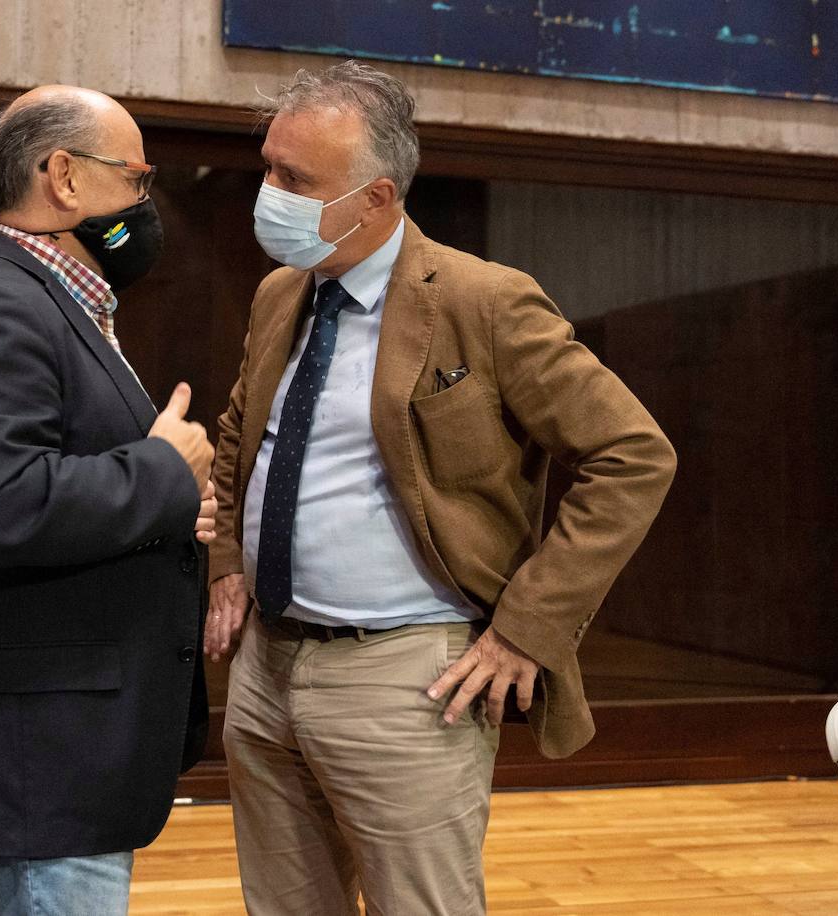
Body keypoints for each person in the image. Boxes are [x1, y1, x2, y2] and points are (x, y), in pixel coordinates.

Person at [203, 61, 677, 915]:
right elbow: (247, 432)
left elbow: (633, 455)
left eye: (293, 178)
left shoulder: (484, 302)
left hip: (408, 679)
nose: (267, 192)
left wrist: (527, 632)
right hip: (265, 668)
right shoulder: (282, 293)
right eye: (267, 166)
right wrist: (229, 561)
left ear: (376, 198)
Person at [0, 85, 217, 916]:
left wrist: (170, 505)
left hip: (68, 748)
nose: (146, 202)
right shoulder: (0, 308)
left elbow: (54, 478)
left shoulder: (55, 300)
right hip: (40, 759)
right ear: (64, 177)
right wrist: (164, 474)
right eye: (136, 178)